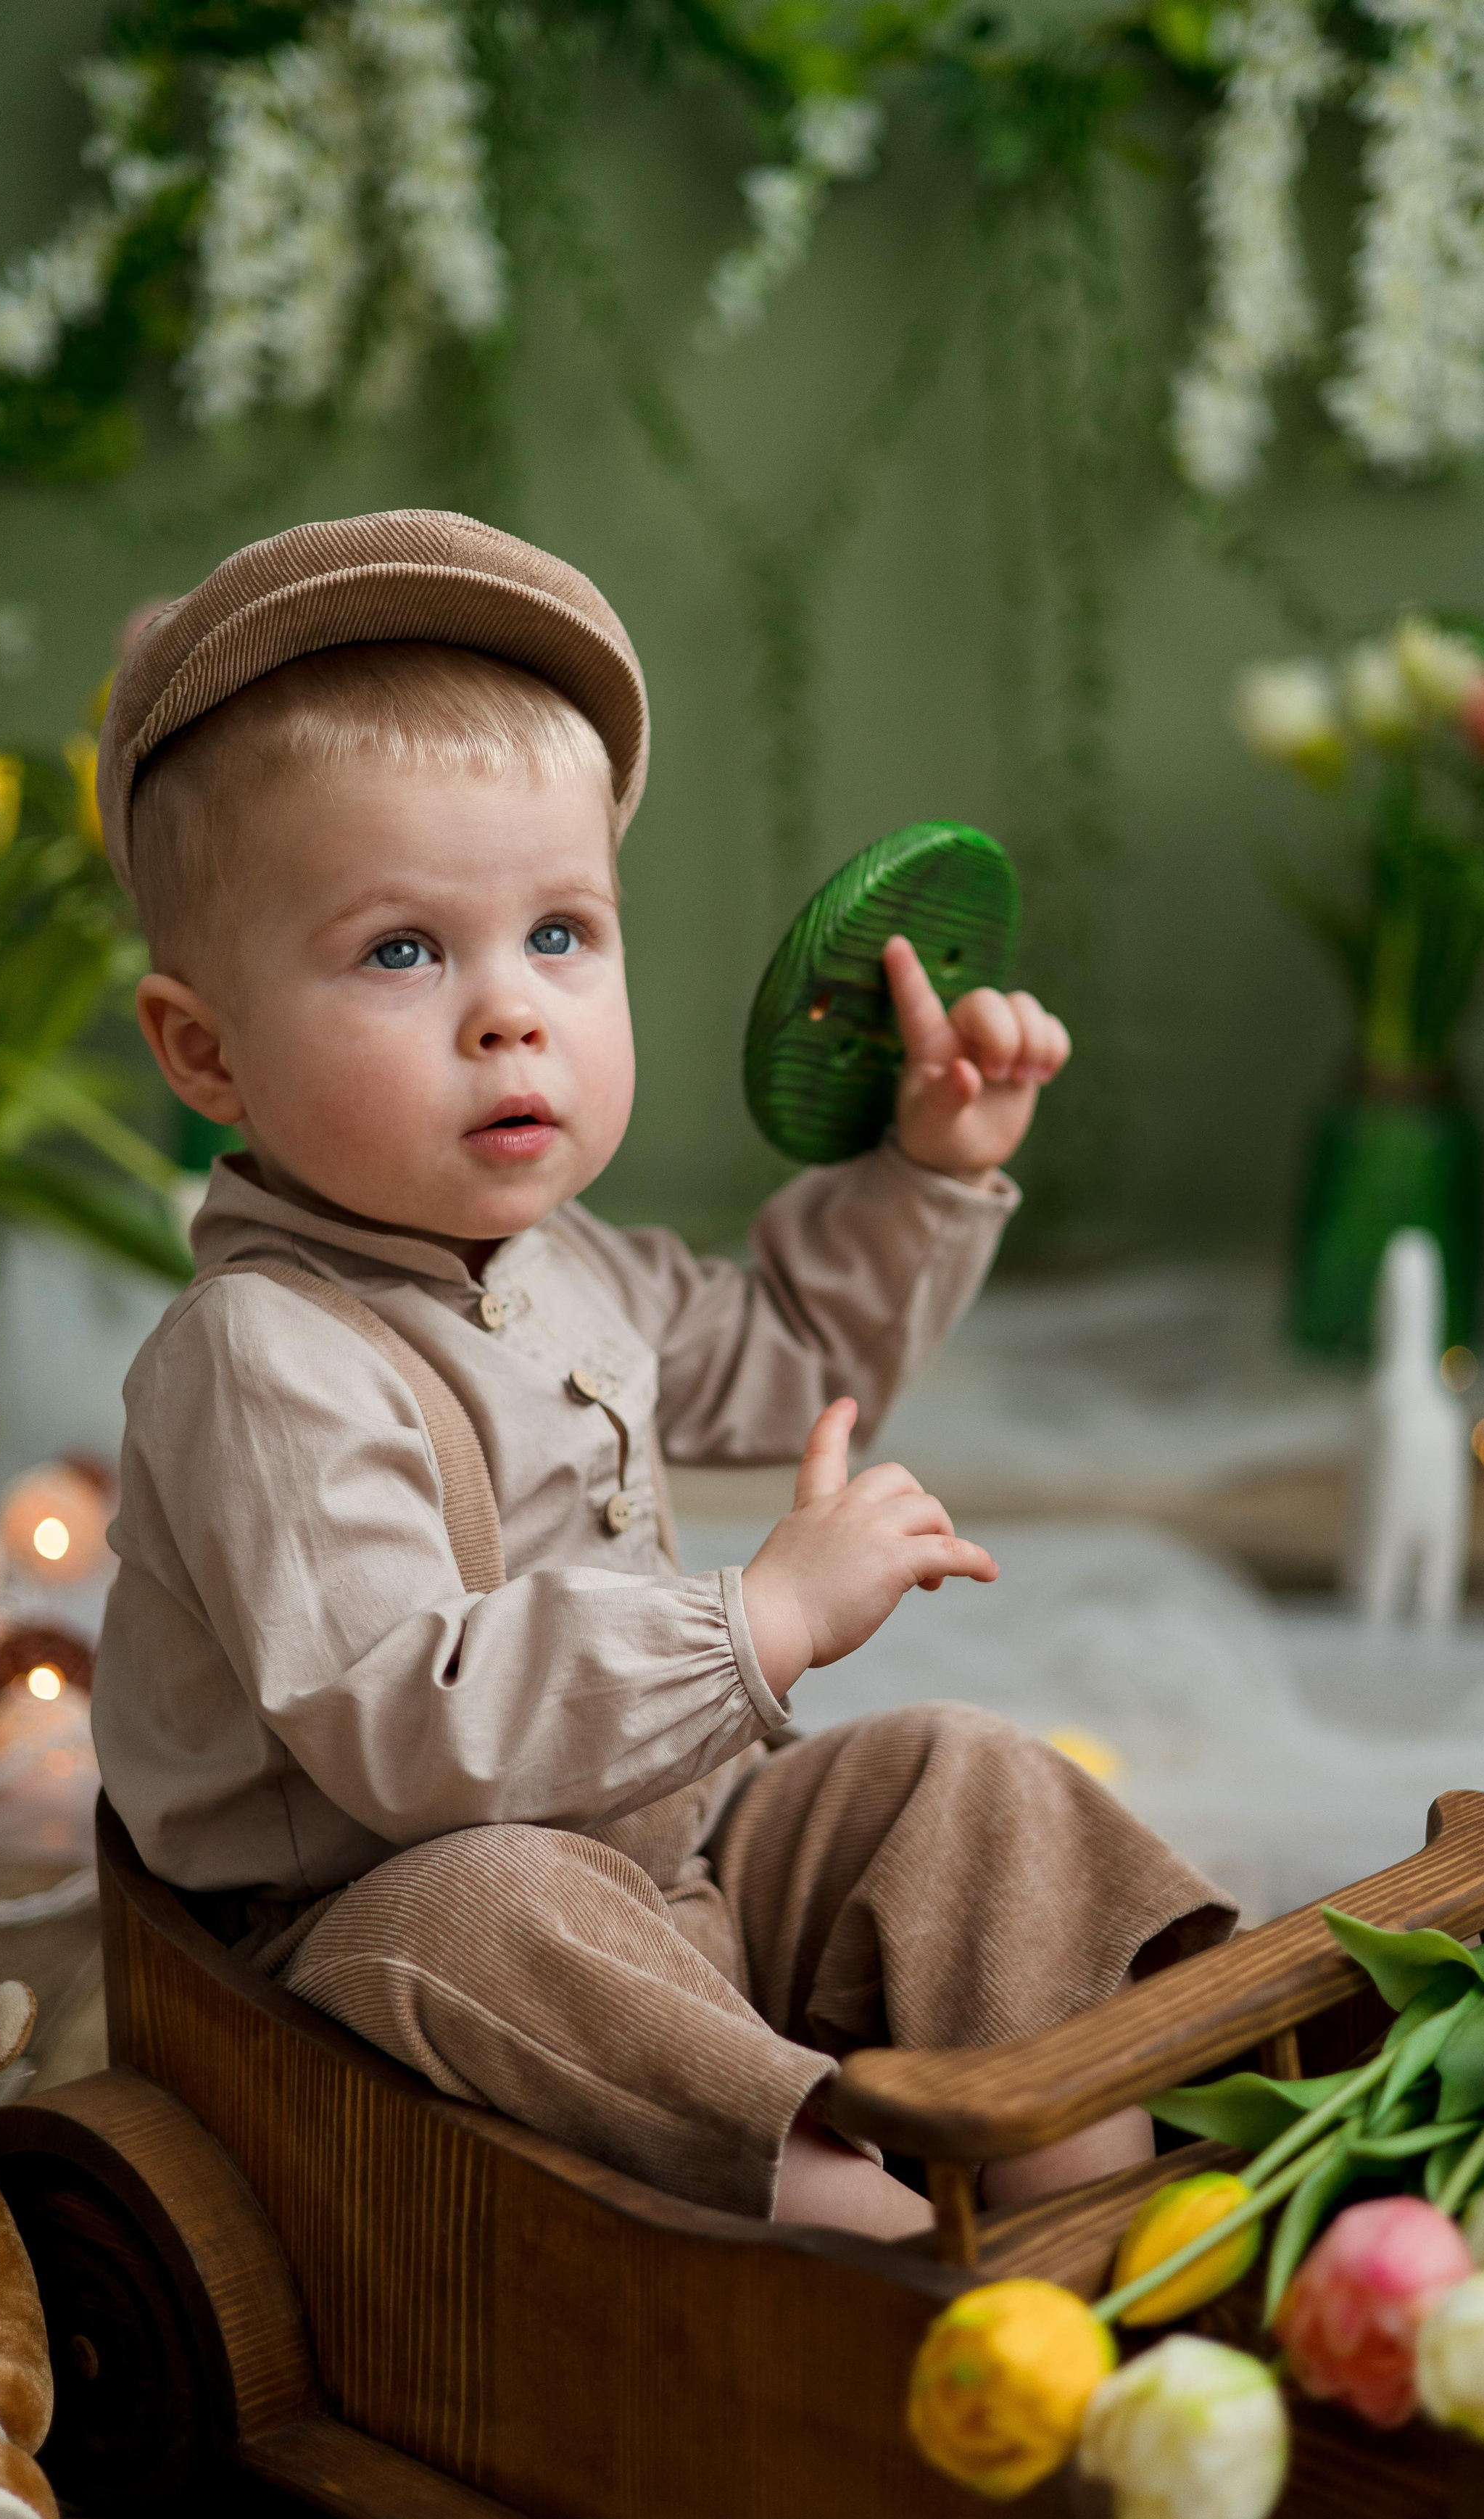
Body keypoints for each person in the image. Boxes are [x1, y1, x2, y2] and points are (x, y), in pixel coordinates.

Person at [90, 509, 1232, 2240]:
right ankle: (857, 2240)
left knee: (958, 1773)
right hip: (377, 1937)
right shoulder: (262, 1359)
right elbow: (406, 1728)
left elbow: (788, 1361)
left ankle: (1087, 2181)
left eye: (559, 933)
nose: (510, 1013)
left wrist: (923, 1173)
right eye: (402, 950)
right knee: (484, 1906)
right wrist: (749, 1624)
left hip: (673, 1851)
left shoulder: (564, 1259)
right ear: (206, 1052)